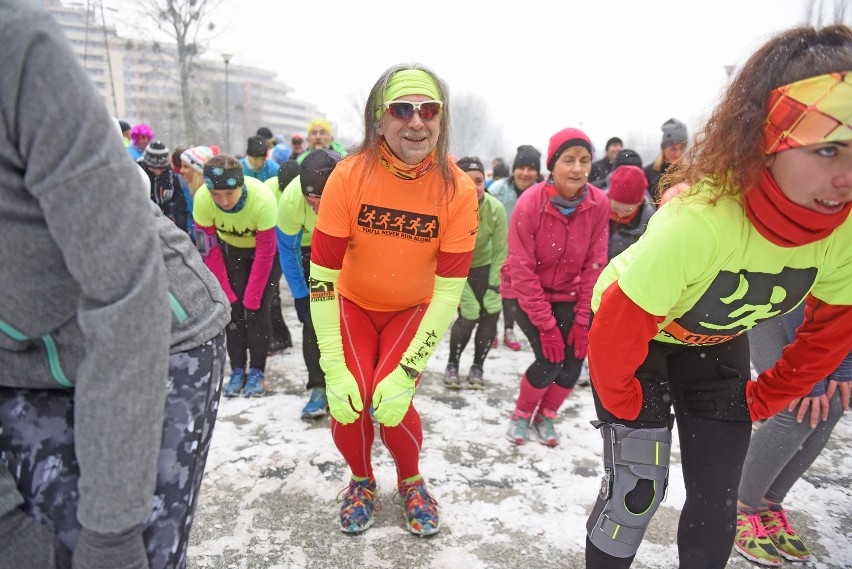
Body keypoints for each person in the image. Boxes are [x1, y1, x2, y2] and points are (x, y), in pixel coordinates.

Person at [583, 24, 852, 569]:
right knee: (637, 491)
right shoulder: (701, 221)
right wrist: (627, 404)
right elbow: (619, 326)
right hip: (637, 342)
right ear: (764, 144)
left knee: (715, 500)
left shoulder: (843, 231)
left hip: (717, 341)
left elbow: (832, 330)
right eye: (827, 149)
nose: (846, 176)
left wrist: (769, 395)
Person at [0, 2, 231, 568]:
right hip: (17, 357)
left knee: (111, 547)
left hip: (155, 332)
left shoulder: (19, 54)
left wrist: (112, 535)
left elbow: (127, 293)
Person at [309, 63, 478, 536]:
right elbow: (322, 277)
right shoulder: (348, 176)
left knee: (392, 400)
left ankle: (411, 481)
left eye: (429, 110)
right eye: (402, 110)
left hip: (414, 309)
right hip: (353, 304)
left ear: (441, 120)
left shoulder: (458, 189)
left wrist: (407, 371)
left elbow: (448, 292)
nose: (416, 121)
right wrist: (331, 363)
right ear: (379, 118)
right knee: (352, 398)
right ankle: (361, 480)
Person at [502, 128, 609, 447]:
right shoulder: (530, 203)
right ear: (553, 165)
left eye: (584, 160)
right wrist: (546, 325)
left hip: (571, 294)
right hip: (525, 293)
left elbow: (595, 263)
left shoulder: (598, 203)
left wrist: (580, 320)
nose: (577, 168)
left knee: (573, 363)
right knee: (550, 361)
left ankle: (545, 416)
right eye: (569, 160)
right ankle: (521, 415)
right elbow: (521, 268)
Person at [734, 304, 852, 566]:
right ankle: (740, 507)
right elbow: (804, 295)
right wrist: (805, 376)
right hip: (779, 300)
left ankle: (767, 504)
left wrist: (845, 366)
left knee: (832, 404)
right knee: (796, 404)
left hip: (828, 315)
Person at [193, 154, 280, 398]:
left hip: (264, 255)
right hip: (230, 253)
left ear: (241, 185)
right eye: (216, 195)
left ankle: (257, 372)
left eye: (229, 194)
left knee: (256, 309)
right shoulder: (202, 199)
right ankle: (238, 369)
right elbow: (207, 250)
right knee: (231, 310)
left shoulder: (262, 198)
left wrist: (252, 295)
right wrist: (225, 290)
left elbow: (266, 252)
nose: (223, 201)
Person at [275, 149, 342, 418]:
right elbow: (288, 250)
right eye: (310, 202)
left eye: (320, 203)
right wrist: (302, 295)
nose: (315, 209)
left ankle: (367, 387)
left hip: (357, 253)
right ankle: (318, 387)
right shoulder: (291, 199)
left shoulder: (358, 189)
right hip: (319, 256)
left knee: (361, 321)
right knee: (315, 321)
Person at [444, 156, 508, 389]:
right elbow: (440, 251)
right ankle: (452, 364)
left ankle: (478, 366)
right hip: (456, 269)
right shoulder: (446, 208)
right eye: (466, 181)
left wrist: (494, 285)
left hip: (485, 267)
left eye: (479, 181)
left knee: (492, 311)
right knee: (469, 314)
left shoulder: (495, 209)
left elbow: (501, 249)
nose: (474, 187)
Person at [488, 144, 543, 351]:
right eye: (521, 168)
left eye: (531, 169)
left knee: (513, 296)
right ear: (514, 170)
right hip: (498, 250)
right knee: (494, 292)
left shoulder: (544, 193)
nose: (526, 173)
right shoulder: (497, 190)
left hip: (528, 254)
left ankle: (508, 330)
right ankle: (492, 328)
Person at [139, 139, 191, 237]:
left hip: (165, 221)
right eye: (153, 169)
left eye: (162, 169)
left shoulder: (171, 176)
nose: (158, 172)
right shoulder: (139, 173)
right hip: (143, 220)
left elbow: (180, 204)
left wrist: (181, 229)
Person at [606, 165, 654, 262]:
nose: (620, 215)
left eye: (628, 211)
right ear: (609, 197)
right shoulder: (595, 208)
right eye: (615, 208)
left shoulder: (649, 222)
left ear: (639, 203)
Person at [644, 118, 688, 203]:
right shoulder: (648, 173)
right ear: (664, 148)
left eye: (681, 149)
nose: (678, 153)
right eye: (673, 149)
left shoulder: (690, 173)